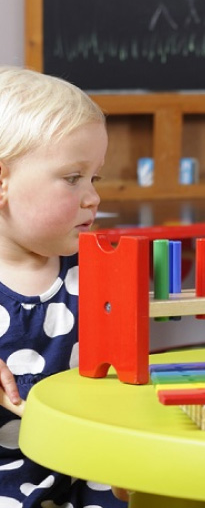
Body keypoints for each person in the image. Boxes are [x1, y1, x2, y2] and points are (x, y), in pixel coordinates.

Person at [0, 67, 126, 507]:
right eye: (73, 178)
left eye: (95, 178)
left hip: (88, 472)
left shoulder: (97, 270)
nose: (93, 197)